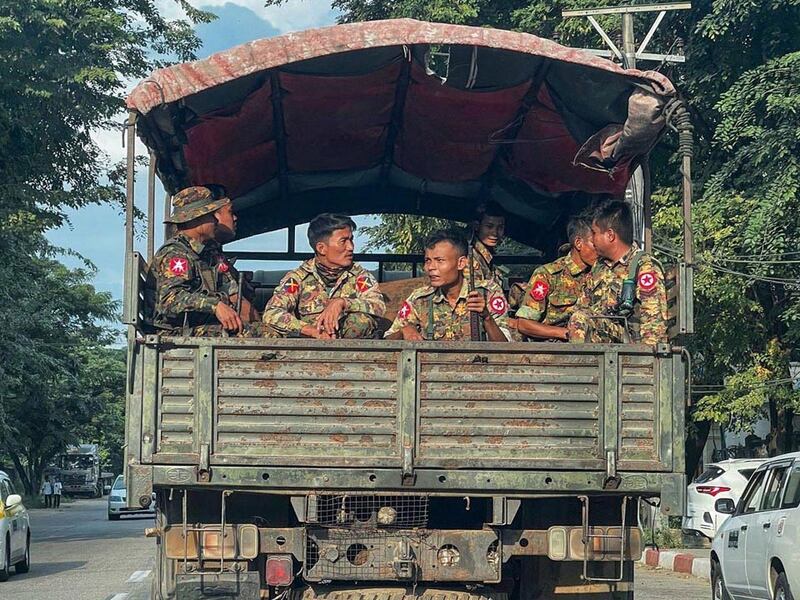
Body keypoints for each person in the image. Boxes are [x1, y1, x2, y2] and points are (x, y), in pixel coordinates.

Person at [149, 185, 263, 337]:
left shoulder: (204, 253)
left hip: (196, 328)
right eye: (211, 215)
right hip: (176, 333)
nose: (216, 220)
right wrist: (215, 306)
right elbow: (170, 300)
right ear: (197, 218)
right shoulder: (176, 253)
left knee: (266, 331)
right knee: (261, 335)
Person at [262, 214, 386, 338]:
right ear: (321, 248)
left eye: (351, 240)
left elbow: (379, 307)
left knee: (360, 321)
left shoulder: (360, 276)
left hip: (349, 349)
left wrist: (342, 303)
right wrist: (309, 330)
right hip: (305, 348)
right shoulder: (298, 278)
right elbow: (271, 312)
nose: (351, 247)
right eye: (343, 241)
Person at [567, 201, 668, 345]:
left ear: (610, 235)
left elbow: (654, 324)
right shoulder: (600, 267)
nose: (593, 239)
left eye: (595, 233)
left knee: (581, 319)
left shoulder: (644, 266)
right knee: (579, 317)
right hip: (602, 342)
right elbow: (581, 306)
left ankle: (582, 366)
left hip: (628, 345)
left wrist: (645, 363)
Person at [385, 230, 510, 341]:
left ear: (461, 263)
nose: (430, 267)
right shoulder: (419, 299)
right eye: (428, 260)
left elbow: (507, 350)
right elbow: (385, 341)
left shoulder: (487, 293)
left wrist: (487, 318)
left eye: (440, 261)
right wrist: (404, 331)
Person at [513, 213, 597, 341]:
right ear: (579, 243)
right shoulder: (548, 275)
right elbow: (524, 324)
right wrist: (565, 333)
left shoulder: (601, 274)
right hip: (556, 351)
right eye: (595, 244)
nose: (600, 249)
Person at [465, 201, 506, 287]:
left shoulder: (487, 256)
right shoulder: (470, 257)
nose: (495, 233)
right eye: (489, 226)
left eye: (500, 227)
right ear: (476, 226)